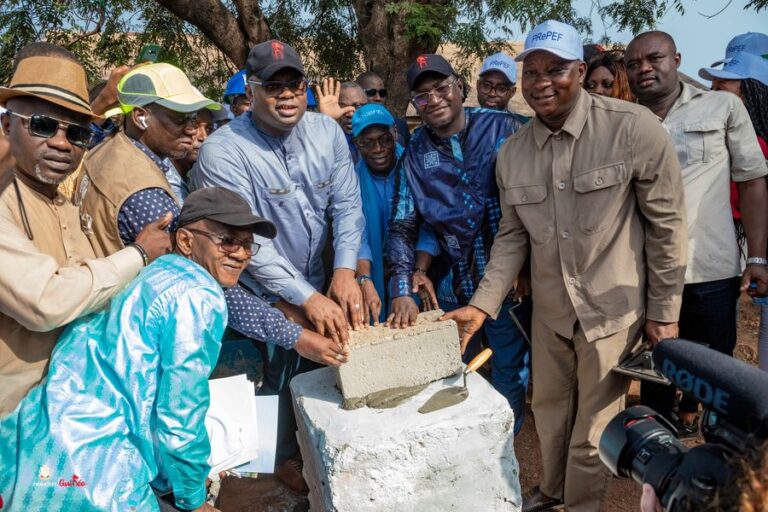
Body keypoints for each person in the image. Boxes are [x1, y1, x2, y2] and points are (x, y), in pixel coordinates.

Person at [442, 20, 688, 512]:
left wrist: (663, 311)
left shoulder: (633, 128)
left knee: (594, 428)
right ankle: (552, 491)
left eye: (555, 69)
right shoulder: (512, 154)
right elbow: (512, 237)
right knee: (550, 414)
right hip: (550, 312)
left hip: (612, 313)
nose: (541, 81)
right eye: (531, 71)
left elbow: (667, 226)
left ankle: (580, 506)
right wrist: (481, 306)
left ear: (580, 69)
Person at [0, 187, 308, 512]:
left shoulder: (151, 272)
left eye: (248, 245)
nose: (242, 254)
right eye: (228, 241)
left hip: (38, 440)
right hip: (99, 466)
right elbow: (180, 414)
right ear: (187, 241)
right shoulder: (199, 296)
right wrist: (193, 498)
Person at [191, 39, 365, 492]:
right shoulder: (223, 151)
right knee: (266, 374)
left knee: (314, 362)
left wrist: (345, 270)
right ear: (252, 91)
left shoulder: (327, 133)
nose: (286, 95)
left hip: (318, 276)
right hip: (255, 286)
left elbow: (347, 206)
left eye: (294, 84)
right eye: (274, 86)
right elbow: (248, 245)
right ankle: (274, 462)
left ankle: (313, 448)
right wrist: (304, 297)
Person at [0, 42, 171, 416]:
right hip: (14, 421)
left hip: (67, 412)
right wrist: (139, 254)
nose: (62, 143)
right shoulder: (5, 204)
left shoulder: (60, 201)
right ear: (8, 125)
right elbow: (45, 302)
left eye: (77, 134)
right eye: (43, 126)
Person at [625, 31, 768, 433]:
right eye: (633, 64)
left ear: (677, 59)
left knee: (712, 365)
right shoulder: (622, 122)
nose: (644, 68)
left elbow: (753, 180)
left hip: (709, 269)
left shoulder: (722, 107)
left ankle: (708, 441)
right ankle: (656, 440)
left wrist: (757, 257)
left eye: (654, 58)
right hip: (645, 272)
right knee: (656, 365)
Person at [387, 52, 532, 436]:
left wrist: (530, 267)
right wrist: (405, 285)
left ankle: (505, 449)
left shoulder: (507, 128)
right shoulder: (415, 154)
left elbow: (543, 197)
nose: (433, 99)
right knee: (450, 368)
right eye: (422, 95)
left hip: (508, 283)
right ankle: (456, 445)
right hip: (451, 282)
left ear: (460, 87)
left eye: (440, 88)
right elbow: (403, 224)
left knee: (509, 369)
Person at [700, 42, 768, 372]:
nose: (714, 93)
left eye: (725, 86)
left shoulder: (755, 146)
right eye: (713, 85)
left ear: (752, 92)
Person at [351, 104, 440, 324]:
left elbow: (430, 223)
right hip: (373, 268)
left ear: (395, 134)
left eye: (384, 139)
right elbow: (356, 233)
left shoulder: (416, 170)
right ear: (356, 144)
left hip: (418, 265)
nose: (378, 148)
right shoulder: (350, 180)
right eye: (367, 142)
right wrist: (364, 279)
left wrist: (419, 270)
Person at [356, 70, 411, 146]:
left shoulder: (400, 126)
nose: (378, 98)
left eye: (382, 93)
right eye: (371, 92)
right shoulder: (350, 126)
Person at [337, 81, 368, 163]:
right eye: (342, 106)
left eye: (357, 106)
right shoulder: (328, 142)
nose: (350, 114)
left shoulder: (383, 141)